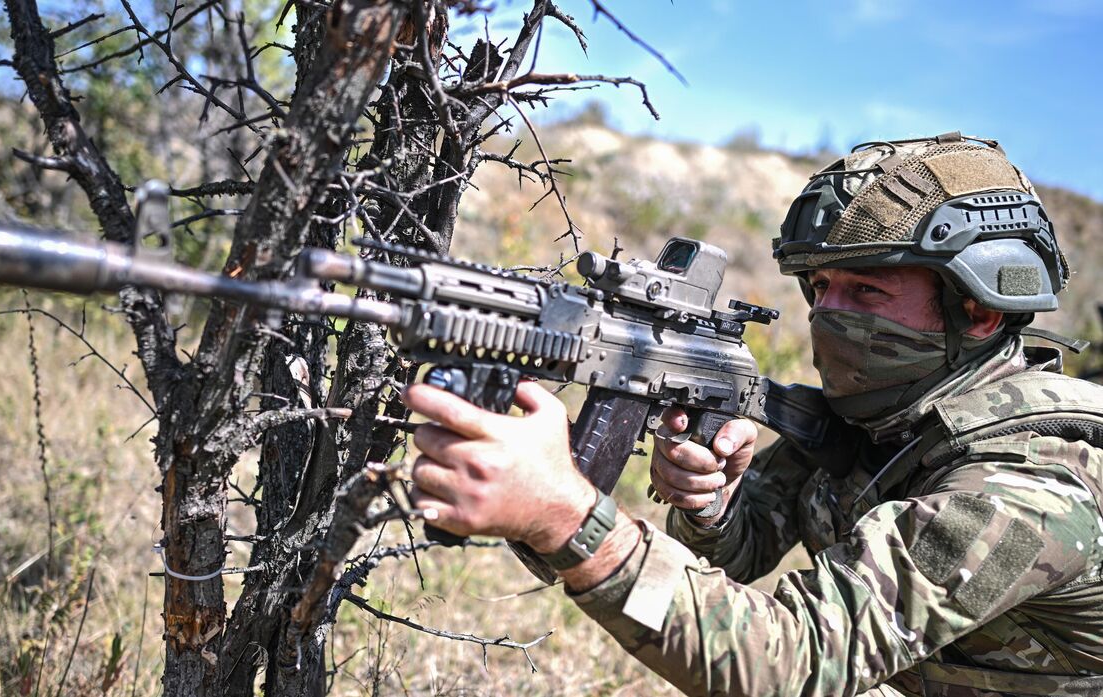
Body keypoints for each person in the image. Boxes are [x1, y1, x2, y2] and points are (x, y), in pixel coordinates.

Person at [401, 132, 1103, 696]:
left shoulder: (1026, 491)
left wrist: (568, 518)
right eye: (821, 286)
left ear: (977, 309)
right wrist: (713, 504)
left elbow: (795, 662)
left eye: (866, 289)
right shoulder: (883, 416)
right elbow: (744, 553)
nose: (828, 313)